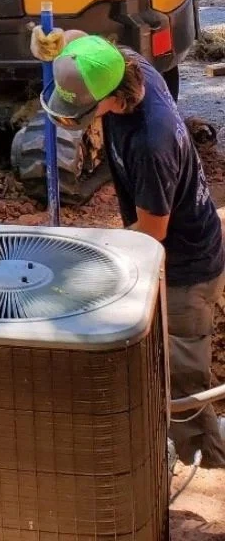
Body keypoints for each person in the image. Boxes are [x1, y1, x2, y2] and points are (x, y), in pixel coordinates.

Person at [32, 27, 225, 468]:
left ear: (108, 99)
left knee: (182, 382)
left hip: (185, 270)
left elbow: (153, 230)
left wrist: (88, 255)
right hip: (164, 253)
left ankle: (206, 464)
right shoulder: (123, 65)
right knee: (155, 362)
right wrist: (51, 41)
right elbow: (85, 44)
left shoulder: (150, 142)